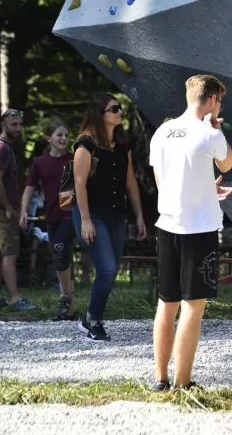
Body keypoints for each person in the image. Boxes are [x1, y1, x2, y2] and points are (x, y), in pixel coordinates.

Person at [149, 75, 232, 391]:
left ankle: (160, 379)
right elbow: (227, 163)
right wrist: (218, 130)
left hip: (168, 225)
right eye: (220, 101)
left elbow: (164, 183)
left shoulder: (161, 133)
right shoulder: (208, 132)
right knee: (193, 305)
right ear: (212, 100)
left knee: (166, 302)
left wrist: (204, 191)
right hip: (199, 229)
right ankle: (182, 383)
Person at [73, 94, 147, 341]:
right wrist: (85, 220)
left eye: (119, 108)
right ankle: (94, 322)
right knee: (107, 269)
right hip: (91, 213)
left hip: (116, 214)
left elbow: (130, 181)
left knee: (111, 271)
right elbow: (79, 184)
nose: (119, 112)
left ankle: (90, 317)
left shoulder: (121, 144)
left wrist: (139, 217)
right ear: (99, 114)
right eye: (113, 109)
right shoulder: (86, 144)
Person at [20, 119, 78, 319]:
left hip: (71, 214)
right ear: (49, 138)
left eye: (66, 135)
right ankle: (70, 309)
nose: (63, 138)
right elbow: (30, 186)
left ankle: (64, 298)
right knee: (61, 255)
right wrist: (24, 210)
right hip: (51, 216)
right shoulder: (40, 162)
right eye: (59, 135)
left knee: (59, 248)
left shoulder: (74, 160)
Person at [0, 109, 35, 311]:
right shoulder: (1, 147)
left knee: (0, 254)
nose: (19, 128)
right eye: (14, 125)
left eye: (21, 124)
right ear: (4, 125)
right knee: (10, 255)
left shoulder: (6, 147)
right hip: (3, 211)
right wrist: (8, 206)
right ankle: (15, 300)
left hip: (3, 210)